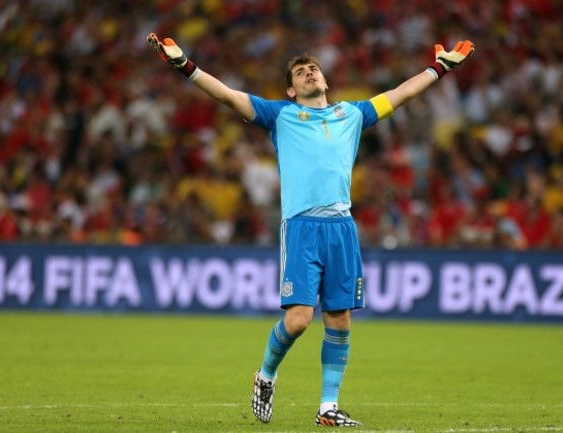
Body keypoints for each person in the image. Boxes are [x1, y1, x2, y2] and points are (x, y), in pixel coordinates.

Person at [147, 32, 474, 427]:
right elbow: (228, 96)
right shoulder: (279, 116)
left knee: (339, 320)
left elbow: (401, 94)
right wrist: (186, 66)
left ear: (325, 80)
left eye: (313, 69)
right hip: (302, 227)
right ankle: (266, 375)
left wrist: (438, 69)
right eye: (301, 72)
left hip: (342, 228)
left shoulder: (351, 115)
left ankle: (327, 408)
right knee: (300, 320)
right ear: (291, 89)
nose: (309, 73)